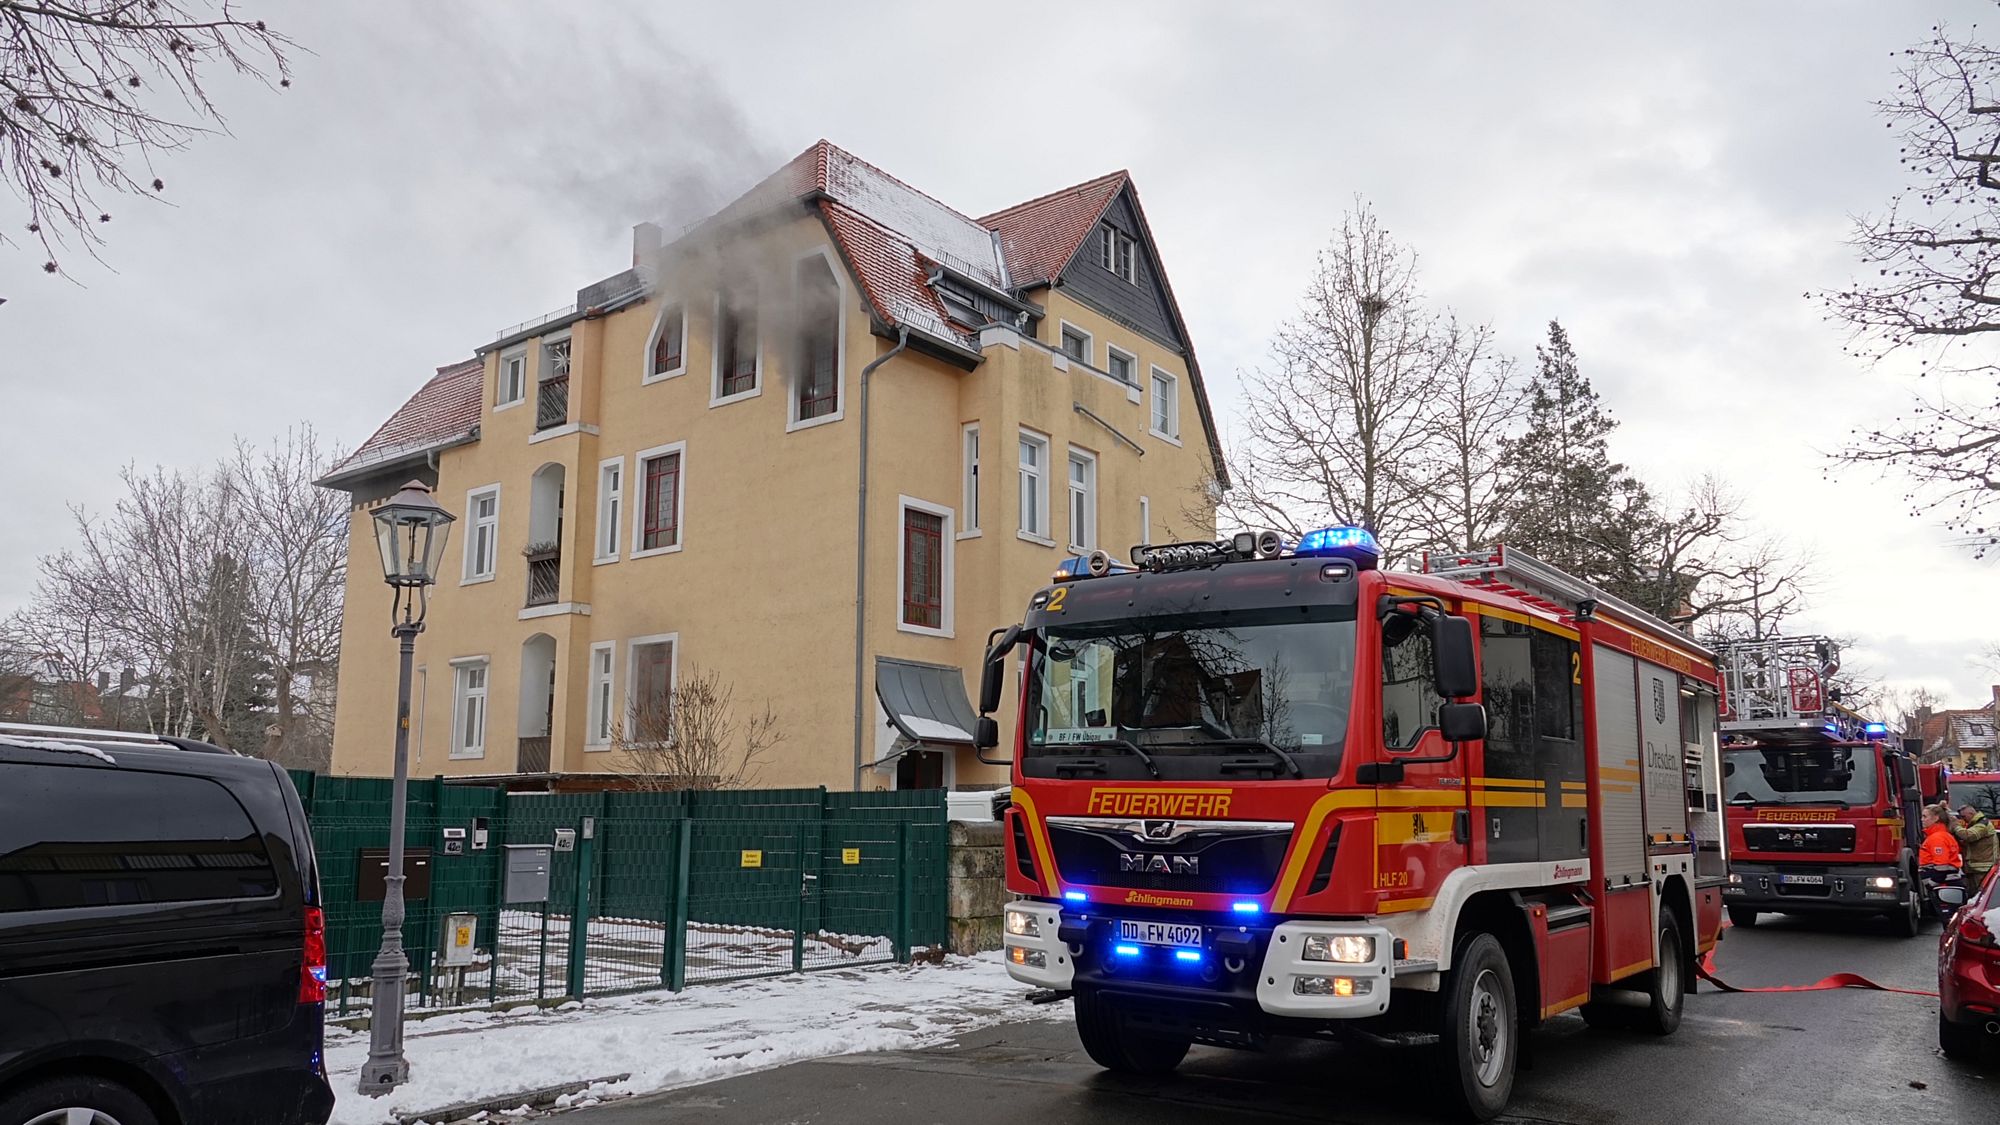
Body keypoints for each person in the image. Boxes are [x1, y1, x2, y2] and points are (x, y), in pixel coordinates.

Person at [1953, 804, 1996, 890]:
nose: (1963, 819)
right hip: (1976, 867)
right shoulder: (1975, 824)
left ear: (1971, 813)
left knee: (1981, 892)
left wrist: (1955, 826)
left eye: (1964, 816)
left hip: (1983, 868)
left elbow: (1968, 835)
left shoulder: (1983, 824)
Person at [1920, 804, 1964, 871]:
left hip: (1941, 881)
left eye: (1924, 817)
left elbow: (1941, 866)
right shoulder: (1944, 835)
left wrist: (1932, 881)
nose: (1922, 819)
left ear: (1936, 818)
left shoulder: (1937, 838)